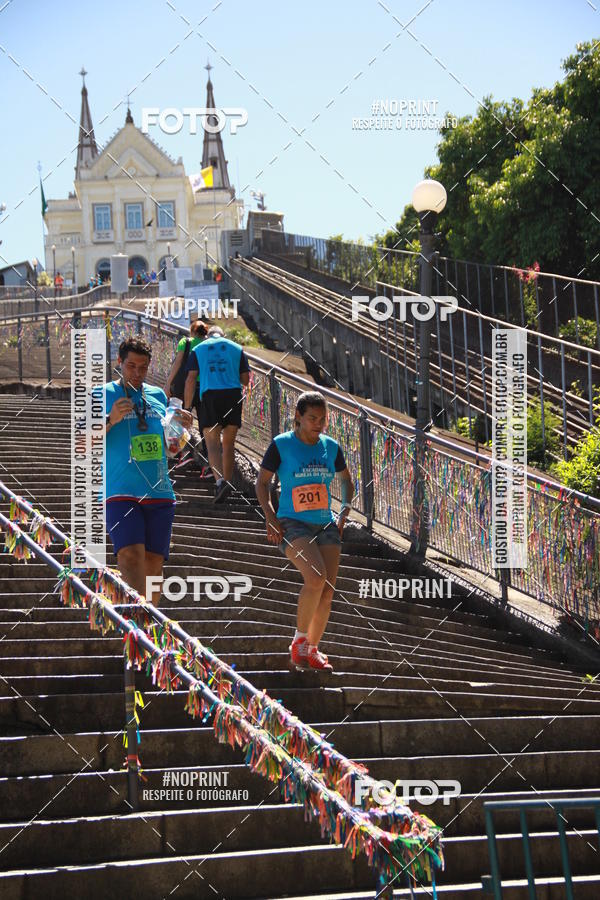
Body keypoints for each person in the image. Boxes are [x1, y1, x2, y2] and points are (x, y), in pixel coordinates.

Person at [255, 391, 354, 671]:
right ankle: (299, 641)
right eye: (312, 418)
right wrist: (270, 516)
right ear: (298, 417)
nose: (318, 424)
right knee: (315, 576)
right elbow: (262, 483)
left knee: (327, 590)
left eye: (323, 419)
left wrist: (344, 511)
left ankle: (312, 648)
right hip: (291, 522)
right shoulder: (281, 445)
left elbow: (347, 481)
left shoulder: (331, 447)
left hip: (325, 523)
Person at [104, 337, 192, 604]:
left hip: (159, 490)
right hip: (121, 490)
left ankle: (149, 624)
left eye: (143, 368)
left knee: (154, 565)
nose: (137, 373)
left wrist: (182, 428)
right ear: (119, 363)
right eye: (131, 366)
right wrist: (110, 419)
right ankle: (134, 624)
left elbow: (171, 447)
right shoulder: (102, 393)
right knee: (129, 555)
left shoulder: (156, 396)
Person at [183, 325, 250, 503]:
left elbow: (191, 378)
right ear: (224, 335)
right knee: (228, 443)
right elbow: (245, 380)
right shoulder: (237, 348)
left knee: (212, 442)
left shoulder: (199, 349)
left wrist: (187, 407)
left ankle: (220, 482)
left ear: (207, 336)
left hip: (210, 396)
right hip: (233, 396)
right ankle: (228, 481)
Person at [165, 319, 210, 476]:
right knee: (205, 426)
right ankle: (209, 464)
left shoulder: (186, 341)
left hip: (184, 387)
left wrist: (168, 383)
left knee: (178, 419)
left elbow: (178, 363)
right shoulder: (209, 344)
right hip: (205, 388)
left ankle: (184, 453)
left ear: (192, 331)